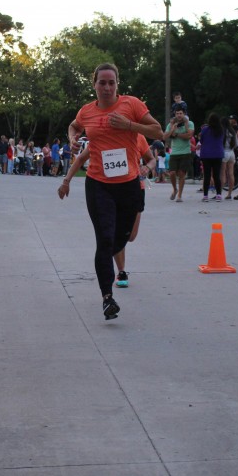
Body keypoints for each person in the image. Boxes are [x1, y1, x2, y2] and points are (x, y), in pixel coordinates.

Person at [66, 62, 162, 320]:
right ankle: (107, 297)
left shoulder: (131, 105)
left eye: (111, 82)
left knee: (123, 239)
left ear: (117, 84)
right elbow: (74, 126)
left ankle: (110, 268)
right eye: (102, 82)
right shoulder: (87, 111)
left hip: (129, 185)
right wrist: (72, 139)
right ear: (94, 84)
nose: (107, 87)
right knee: (105, 239)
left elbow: (158, 131)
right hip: (98, 184)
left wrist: (130, 126)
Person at [58, 136, 156, 289]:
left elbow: (152, 159)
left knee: (130, 236)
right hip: (109, 191)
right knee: (114, 232)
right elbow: (81, 159)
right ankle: (121, 271)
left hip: (135, 189)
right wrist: (66, 181)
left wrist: (147, 168)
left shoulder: (137, 136)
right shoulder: (103, 136)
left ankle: (117, 262)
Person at [163, 107, 194, 202]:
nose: (179, 115)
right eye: (177, 113)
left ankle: (179, 195)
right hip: (174, 152)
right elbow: (164, 137)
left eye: (181, 113)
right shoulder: (171, 124)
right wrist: (172, 129)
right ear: (175, 114)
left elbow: (189, 136)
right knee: (172, 173)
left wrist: (177, 134)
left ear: (184, 114)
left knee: (181, 174)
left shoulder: (189, 123)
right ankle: (175, 189)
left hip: (185, 152)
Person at [199, 113, 225, 202]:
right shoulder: (221, 130)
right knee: (216, 175)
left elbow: (201, 140)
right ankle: (218, 194)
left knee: (207, 175)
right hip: (218, 154)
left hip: (206, 155)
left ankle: (205, 195)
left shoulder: (205, 130)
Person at [221, 116, 238, 199]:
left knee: (223, 173)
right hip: (232, 152)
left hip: (224, 152)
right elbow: (236, 144)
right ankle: (229, 194)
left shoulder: (222, 131)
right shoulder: (233, 131)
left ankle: (219, 193)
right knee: (231, 174)